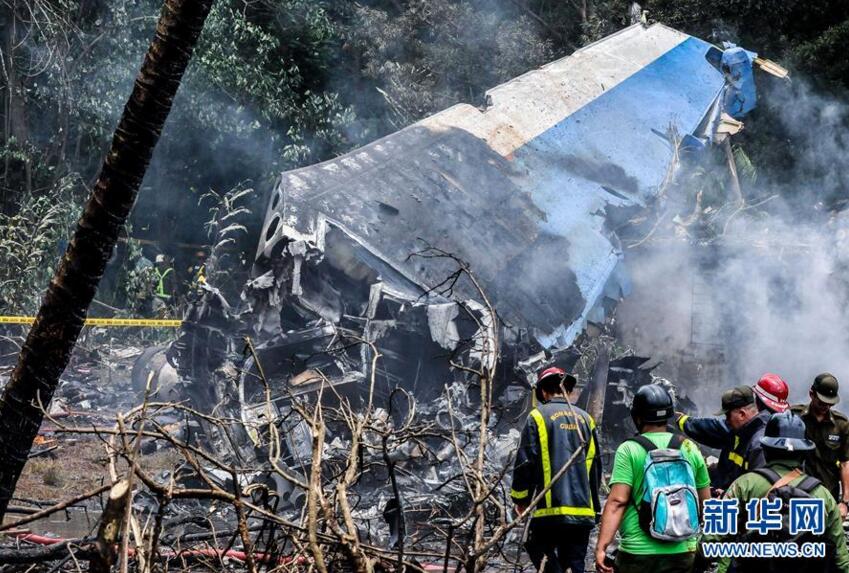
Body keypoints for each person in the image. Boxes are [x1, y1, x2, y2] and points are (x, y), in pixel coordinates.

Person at [706, 411, 849, 573]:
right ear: (803, 453)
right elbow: (841, 559)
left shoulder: (743, 486)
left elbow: (711, 540)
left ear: (766, 449)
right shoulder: (823, 495)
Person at [596, 384, 711, 573]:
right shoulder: (689, 447)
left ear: (637, 417)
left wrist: (602, 547)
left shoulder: (629, 449)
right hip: (684, 551)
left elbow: (617, 501)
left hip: (638, 553)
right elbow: (705, 503)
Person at [510, 367, 602, 573]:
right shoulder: (587, 420)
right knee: (574, 564)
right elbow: (594, 468)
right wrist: (595, 509)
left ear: (543, 392)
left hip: (549, 512)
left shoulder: (538, 416)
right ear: (568, 391)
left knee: (537, 548)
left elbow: (526, 462)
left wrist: (520, 499)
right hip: (582, 513)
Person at [674, 385, 765, 493]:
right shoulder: (739, 431)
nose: (726, 421)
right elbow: (710, 429)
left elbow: (757, 490)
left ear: (741, 414)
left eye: (727, 416)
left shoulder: (759, 445)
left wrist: (728, 494)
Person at [791, 373, 849, 517]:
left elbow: (845, 464)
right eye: (822, 402)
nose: (826, 406)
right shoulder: (794, 417)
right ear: (812, 394)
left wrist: (845, 502)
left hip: (828, 497)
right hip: (797, 495)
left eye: (830, 403)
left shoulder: (841, 425)